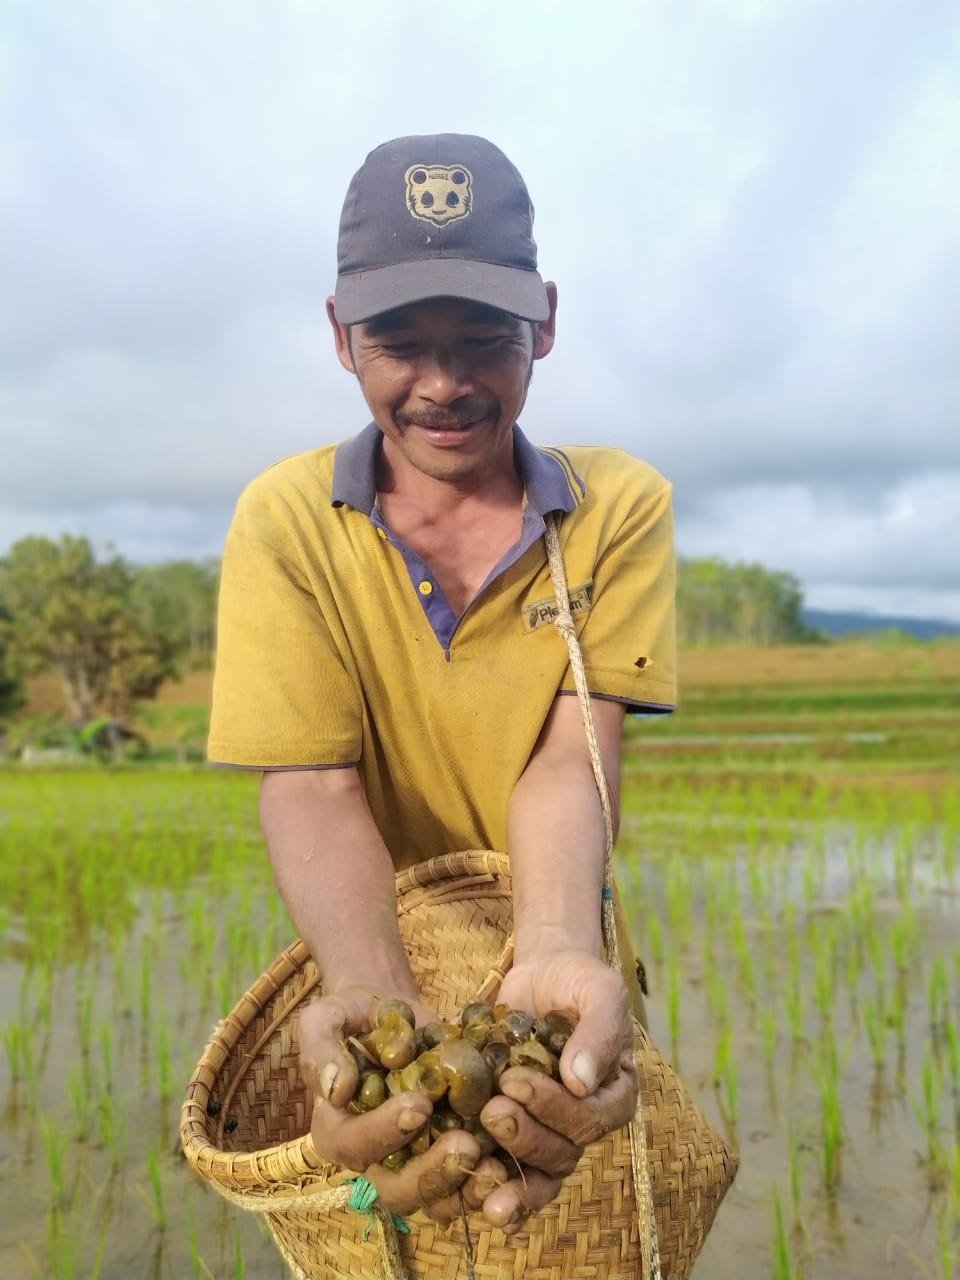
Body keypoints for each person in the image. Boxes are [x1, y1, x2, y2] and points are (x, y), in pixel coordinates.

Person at [208, 133, 676, 1237]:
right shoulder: (286, 521)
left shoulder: (612, 508)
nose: (445, 383)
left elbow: (571, 754)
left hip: (548, 939)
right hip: (368, 938)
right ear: (339, 337)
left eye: (484, 339)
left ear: (545, 322)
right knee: (378, 1208)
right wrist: (371, 984)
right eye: (398, 343)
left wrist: (558, 943)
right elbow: (314, 782)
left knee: (572, 1211)